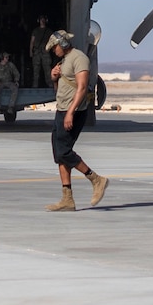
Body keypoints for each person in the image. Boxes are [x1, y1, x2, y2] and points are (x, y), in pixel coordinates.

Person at [43, 30, 109, 210]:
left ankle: (96, 179)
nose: (54, 51)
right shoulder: (63, 61)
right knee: (60, 154)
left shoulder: (79, 58)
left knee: (64, 152)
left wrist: (71, 113)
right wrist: (54, 77)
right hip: (61, 110)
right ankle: (67, 199)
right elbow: (60, 90)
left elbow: (81, 89)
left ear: (62, 44)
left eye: (55, 47)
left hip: (74, 112)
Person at [28, 15, 55, 88]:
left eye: (43, 20)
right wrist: (30, 51)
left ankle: (50, 84)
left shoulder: (49, 31)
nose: (42, 21)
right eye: (41, 20)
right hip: (37, 51)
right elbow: (32, 42)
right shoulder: (35, 31)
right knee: (36, 69)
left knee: (47, 69)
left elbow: (52, 41)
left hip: (45, 51)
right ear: (38, 21)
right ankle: (35, 85)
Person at [0, 51, 21, 118]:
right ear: (2, 58)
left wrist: (16, 81)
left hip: (9, 82)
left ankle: (11, 107)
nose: (7, 58)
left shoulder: (11, 65)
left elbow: (16, 73)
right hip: (0, 82)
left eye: (8, 57)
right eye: (6, 57)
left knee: (15, 89)